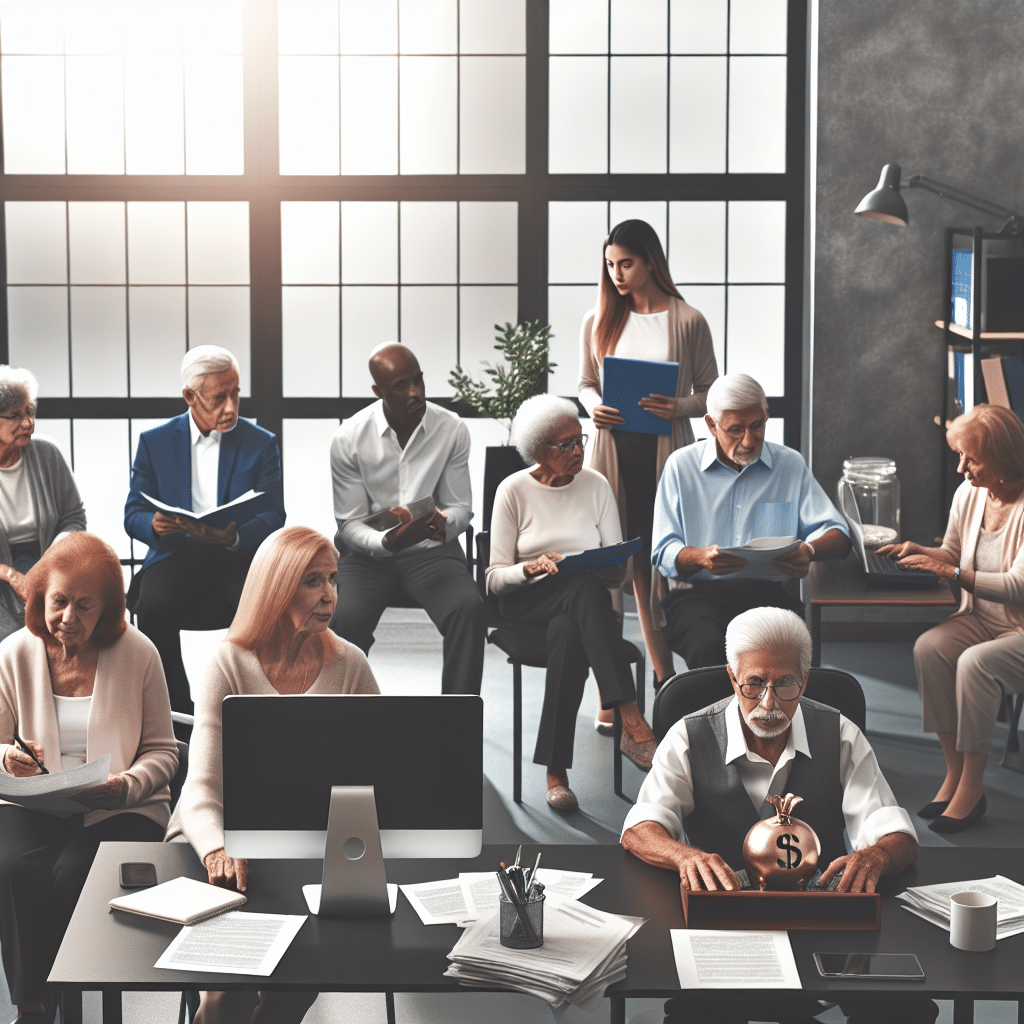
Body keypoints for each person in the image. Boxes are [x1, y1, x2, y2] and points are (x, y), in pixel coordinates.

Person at [621, 607, 932, 1024]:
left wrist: (877, 855)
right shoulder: (688, 735)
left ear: (803, 680)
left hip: (819, 924)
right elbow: (640, 828)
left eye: (785, 683)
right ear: (733, 678)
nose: (768, 703)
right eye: (753, 683)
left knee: (905, 1011)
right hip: (722, 927)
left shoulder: (840, 734)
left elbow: (895, 833)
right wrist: (684, 856)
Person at [168, 526, 379, 1024]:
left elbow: (377, 777)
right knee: (227, 993)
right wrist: (218, 846)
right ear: (277, 587)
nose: (329, 594)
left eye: (333, 579)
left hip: (311, 846)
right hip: (221, 840)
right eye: (312, 581)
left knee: (301, 971)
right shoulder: (228, 662)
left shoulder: (351, 664)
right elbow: (201, 783)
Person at [0, 533, 177, 1024]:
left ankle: (68, 999)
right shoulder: (13, 653)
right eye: (58, 602)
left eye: (84, 606)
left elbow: (163, 751)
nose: (68, 618)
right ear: (41, 598)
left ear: (108, 610)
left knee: (71, 876)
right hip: (35, 802)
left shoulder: (139, 653)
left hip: (121, 805)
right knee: (12, 868)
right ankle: (33, 1006)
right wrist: (7, 761)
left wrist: (125, 785)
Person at [487, 395, 658, 811]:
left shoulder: (596, 485)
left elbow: (616, 566)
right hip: (526, 604)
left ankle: (555, 772)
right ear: (538, 451)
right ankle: (630, 717)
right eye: (565, 445)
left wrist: (607, 567)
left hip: (582, 607)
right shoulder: (513, 490)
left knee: (572, 620)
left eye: (579, 440)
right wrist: (530, 569)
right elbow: (493, 579)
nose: (579, 450)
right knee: (582, 592)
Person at [579, 219, 718, 698]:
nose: (616, 273)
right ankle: (615, 694)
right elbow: (585, 384)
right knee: (613, 565)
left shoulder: (688, 319)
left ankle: (664, 679)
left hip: (664, 454)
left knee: (656, 564)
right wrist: (590, 406)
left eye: (626, 263)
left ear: (650, 261)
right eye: (610, 264)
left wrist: (678, 406)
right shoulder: (598, 319)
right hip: (612, 452)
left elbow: (710, 395)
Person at [878, 403, 1024, 833]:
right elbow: (954, 555)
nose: (962, 468)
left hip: (1018, 627)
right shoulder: (971, 493)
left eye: (972, 458)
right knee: (931, 648)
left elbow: (1017, 587)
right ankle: (954, 772)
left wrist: (951, 572)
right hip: (981, 617)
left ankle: (972, 790)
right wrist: (921, 552)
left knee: (975, 663)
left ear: (1002, 459)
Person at [124, 346, 286, 722]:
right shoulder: (155, 441)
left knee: (266, 616)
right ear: (190, 397)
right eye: (219, 398)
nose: (231, 407)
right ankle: (177, 714)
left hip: (236, 556)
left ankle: (254, 712)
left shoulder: (262, 443)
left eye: (236, 394)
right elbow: (133, 512)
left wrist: (231, 538)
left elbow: (273, 514)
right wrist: (153, 525)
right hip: (175, 553)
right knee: (151, 608)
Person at [653, 372, 850, 670]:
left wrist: (809, 551)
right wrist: (701, 557)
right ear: (711, 425)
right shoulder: (681, 467)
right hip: (697, 597)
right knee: (708, 648)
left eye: (757, 426)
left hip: (769, 594)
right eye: (735, 430)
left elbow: (838, 533)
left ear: (766, 416)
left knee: (783, 653)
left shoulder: (789, 464)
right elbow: (663, 549)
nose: (748, 440)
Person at [329, 342, 484, 695]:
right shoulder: (349, 439)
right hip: (367, 557)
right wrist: (384, 542)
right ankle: (341, 721)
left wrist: (447, 524)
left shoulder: (452, 429)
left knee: (469, 609)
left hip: (432, 552)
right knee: (344, 620)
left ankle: (455, 725)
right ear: (378, 392)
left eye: (418, 380)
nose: (415, 392)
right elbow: (349, 524)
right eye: (401, 385)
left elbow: (460, 505)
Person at [0, 366, 86, 643]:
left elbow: (74, 518)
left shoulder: (47, 454)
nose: (27, 423)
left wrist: (48, 563)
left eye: (30, 411)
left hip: (51, 559)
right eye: (15, 415)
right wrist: (12, 576)